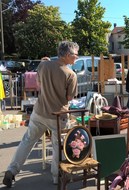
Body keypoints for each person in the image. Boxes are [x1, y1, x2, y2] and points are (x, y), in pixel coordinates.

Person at [2, 41, 79, 187]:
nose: (76, 58)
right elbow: (69, 98)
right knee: (57, 146)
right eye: (75, 55)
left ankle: (12, 171)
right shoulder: (71, 74)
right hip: (58, 115)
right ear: (68, 55)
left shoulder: (43, 65)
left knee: (27, 141)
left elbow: (39, 85)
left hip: (39, 111)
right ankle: (57, 177)